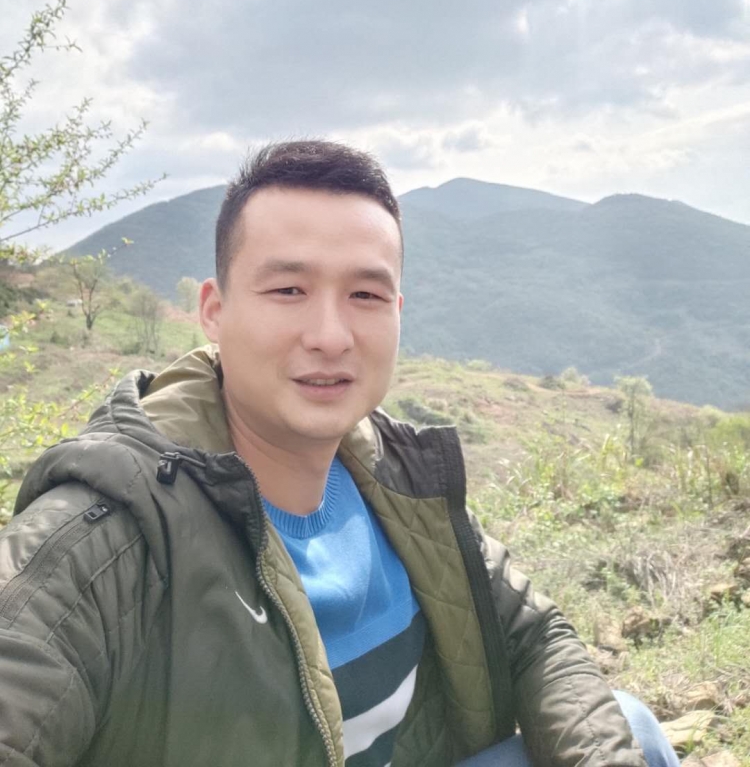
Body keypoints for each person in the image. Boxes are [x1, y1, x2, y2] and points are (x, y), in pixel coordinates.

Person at [0, 140, 679, 767]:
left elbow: (533, 634)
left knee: (631, 730)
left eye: (365, 295)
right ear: (214, 310)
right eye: (288, 290)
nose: (330, 335)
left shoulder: (395, 477)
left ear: (398, 311)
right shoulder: (101, 540)